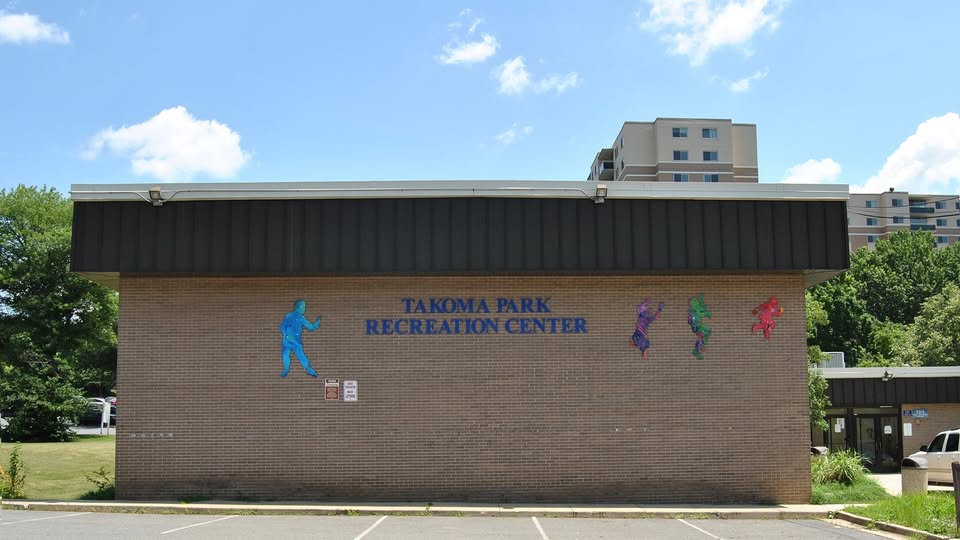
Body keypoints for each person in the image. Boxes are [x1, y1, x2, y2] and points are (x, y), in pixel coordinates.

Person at [279, 299, 322, 378]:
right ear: (297, 308)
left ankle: (309, 369)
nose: (304, 309)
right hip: (287, 340)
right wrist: (285, 334)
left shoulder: (301, 318)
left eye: (304, 307)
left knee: (301, 355)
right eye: (303, 307)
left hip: (296, 341)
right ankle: (286, 369)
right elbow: (282, 326)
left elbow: (310, 327)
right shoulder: (290, 316)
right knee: (285, 355)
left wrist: (316, 324)